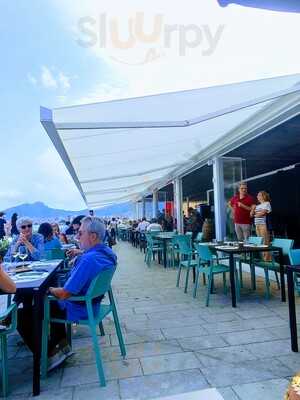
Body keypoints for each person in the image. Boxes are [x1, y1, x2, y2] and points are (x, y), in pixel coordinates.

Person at [17, 216, 117, 370]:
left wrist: (47, 290)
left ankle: (49, 355)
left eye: (80, 232)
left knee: (22, 315)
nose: (77, 236)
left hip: (79, 309)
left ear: (93, 236)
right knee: (47, 301)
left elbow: (64, 293)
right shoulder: (108, 254)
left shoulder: (88, 260)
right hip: (92, 305)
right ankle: (62, 346)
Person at [251, 191, 272, 261]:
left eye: (259, 195)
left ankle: (268, 259)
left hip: (263, 225)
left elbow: (263, 213)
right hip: (257, 225)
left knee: (265, 241)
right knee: (260, 242)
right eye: (257, 195)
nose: (257, 197)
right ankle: (263, 258)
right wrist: (253, 209)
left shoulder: (267, 203)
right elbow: (251, 215)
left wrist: (255, 215)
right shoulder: (257, 206)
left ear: (263, 196)